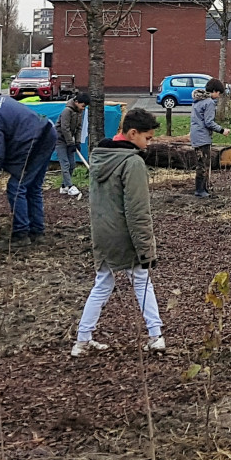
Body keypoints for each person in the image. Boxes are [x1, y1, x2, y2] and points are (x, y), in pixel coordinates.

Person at [72, 106, 167, 355]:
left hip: (102, 232)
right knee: (142, 282)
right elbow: (138, 211)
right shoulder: (132, 163)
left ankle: (82, 339)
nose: (149, 143)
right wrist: (147, 249)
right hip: (125, 235)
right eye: (147, 138)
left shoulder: (100, 156)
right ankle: (156, 335)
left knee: (102, 284)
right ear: (133, 133)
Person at [0, 94, 57, 246]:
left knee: (16, 187)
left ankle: (21, 234)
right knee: (33, 187)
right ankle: (37, 231)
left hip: (34, 142)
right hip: (46, 132)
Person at [188, 77, 229, 198]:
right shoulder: (209, 102)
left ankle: (202, 188)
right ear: (215, 91)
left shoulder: (198, 100)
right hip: (202, 137)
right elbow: (209, 122)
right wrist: (222, 130)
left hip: (196, 135)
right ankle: (200, 190)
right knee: (204, 163)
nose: (219, 96)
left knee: (200, 162)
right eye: (219, 93)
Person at [54, 91, 89, 199]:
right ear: (77, 102)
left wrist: (77, 142)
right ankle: (70, 186)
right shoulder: (67, 111)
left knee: (72, 164)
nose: (83, 108)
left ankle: (64, 186)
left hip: (70, 141)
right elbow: (65, 128)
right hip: (60, 140)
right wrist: (70, 143)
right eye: (83, 105)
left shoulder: (79, 112)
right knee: (65, 164)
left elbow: (78, 128)